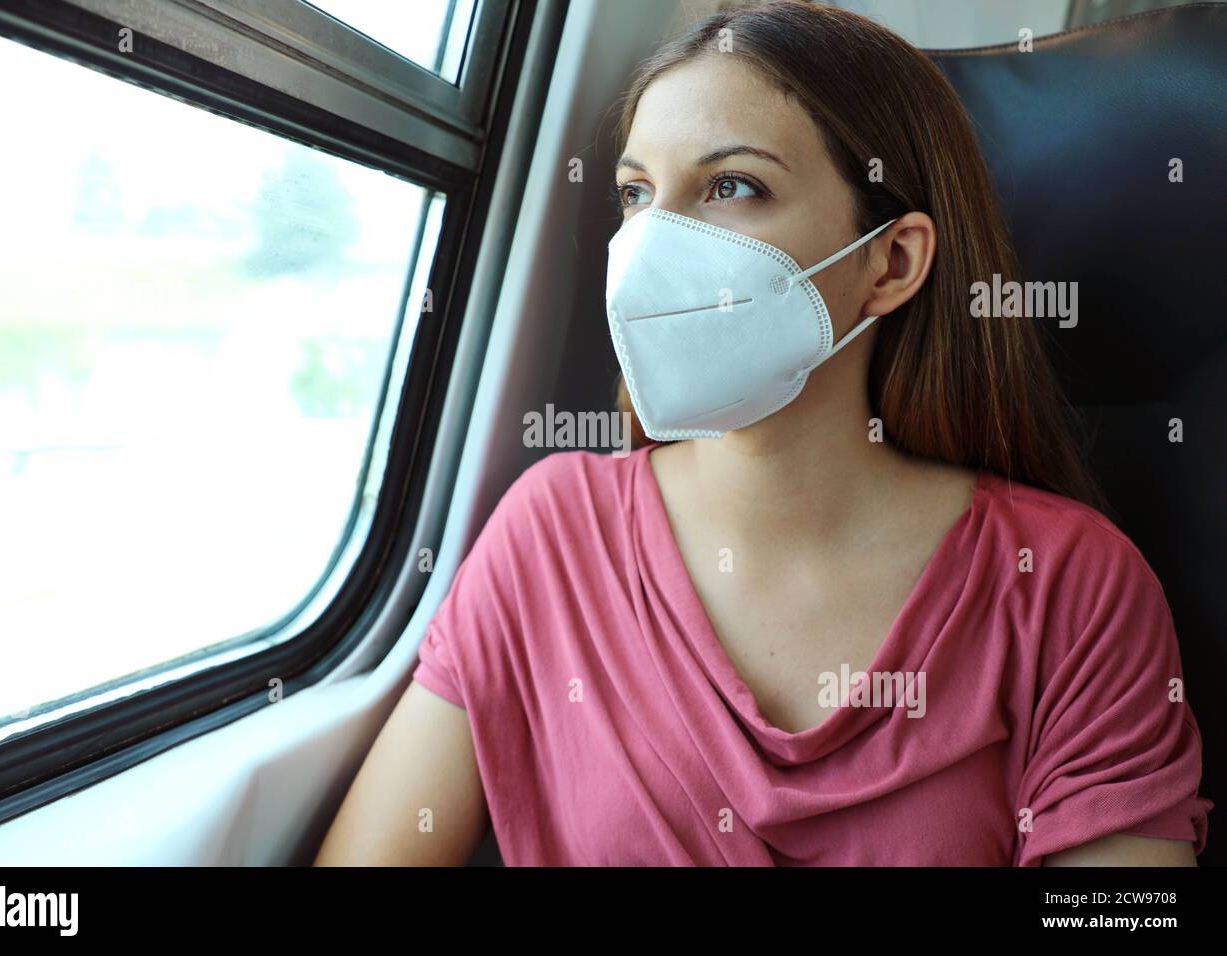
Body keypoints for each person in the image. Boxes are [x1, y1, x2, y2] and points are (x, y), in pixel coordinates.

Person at [314, 0, 1211, 866]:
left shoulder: (1069, 587)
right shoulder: (550, 532)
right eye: (636, 194)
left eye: (731, 185)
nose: (651, 247)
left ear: (890, 263)